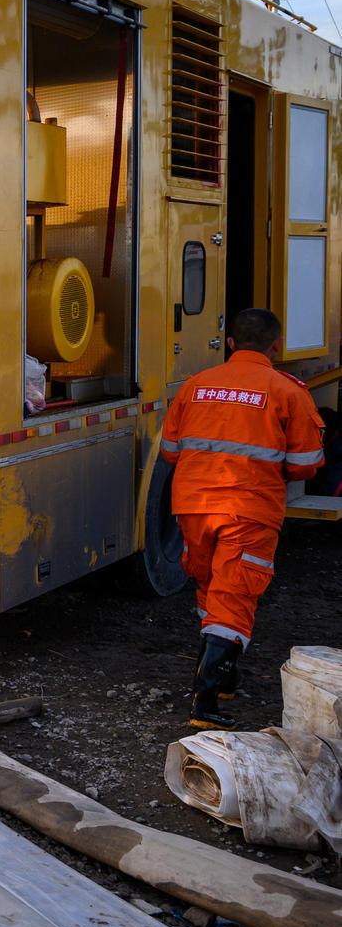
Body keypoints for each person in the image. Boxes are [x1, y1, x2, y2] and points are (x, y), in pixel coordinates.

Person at [161, 308, 325, 729]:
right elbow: (307, 463)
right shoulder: (288, 391)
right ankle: (205, 704)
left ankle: (224, 675)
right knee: (234, 595)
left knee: (212, 586)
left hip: (193, 505)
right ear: (275, 346)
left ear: (230, 343)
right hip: (248, 508)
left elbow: (170, 452)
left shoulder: (196, 385)